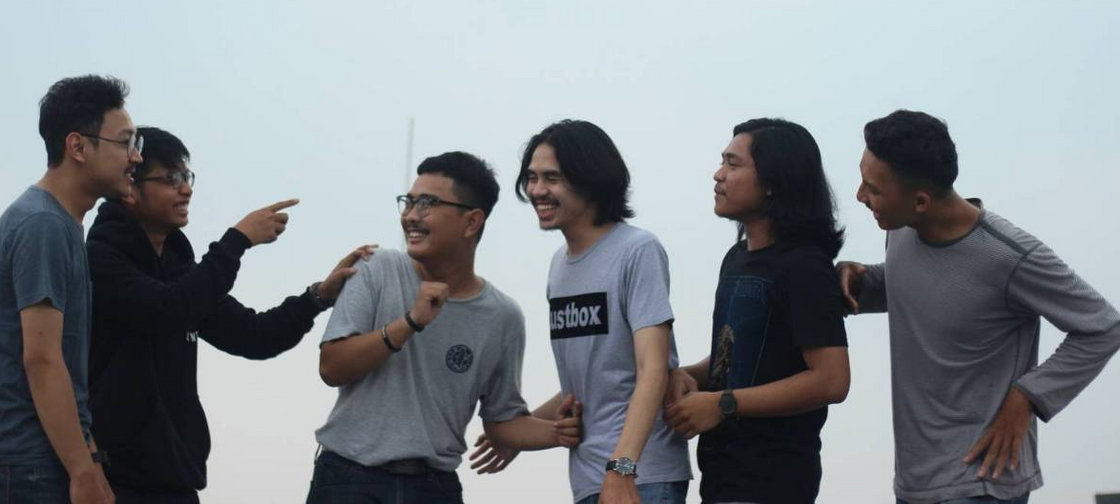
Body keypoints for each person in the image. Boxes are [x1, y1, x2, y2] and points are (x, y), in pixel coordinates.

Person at [840, 109, 1120, 504]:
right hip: (916, 483)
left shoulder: (1009, 255)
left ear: (920, 201)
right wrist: (862, 282)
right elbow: (928, 289)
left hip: (983, 481)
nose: (860, 196)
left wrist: (1027, 396)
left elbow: (1104, 327)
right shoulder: (902, 230)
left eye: (873, 189)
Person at [85, 126, 373, 503]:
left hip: (176, 479)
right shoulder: (101, 259)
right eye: (171, 179)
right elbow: (165, 311)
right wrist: (237, 240)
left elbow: (254, 335)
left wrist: (318, 296)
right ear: (130, 188)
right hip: (111, 482)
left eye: (186, 177)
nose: (186, 190)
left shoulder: (179, 269)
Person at [308, 151, 581, 504]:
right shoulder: (376, 267)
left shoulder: (502, 316)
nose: (411, 216)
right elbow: (332, 367)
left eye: (427, 204)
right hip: (348, 478)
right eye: (409, 202)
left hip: (435, 488)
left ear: (472, 222)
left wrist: (556, 433)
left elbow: (502, 421)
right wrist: (410, 322)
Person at [0, 74, 140, 504]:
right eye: (125, 143)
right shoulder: (43, 225)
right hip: (24, 463)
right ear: (77, 147)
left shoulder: (59, 224)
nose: (136, 157)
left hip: (31, 460)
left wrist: (90, 458)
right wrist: (82, 471)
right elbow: (41, 358)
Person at [664, 118, 850, 504]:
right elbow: (738, 354)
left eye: (733, 165)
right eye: (722, 162)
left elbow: (832, 380)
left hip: (774, 481)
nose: (718, 175)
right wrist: (689, 375)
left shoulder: (805, 266)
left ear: (772, 184)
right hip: (721, 478)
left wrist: (723, 404)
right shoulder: (735, 258)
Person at [516, 119, 691, 504]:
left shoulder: (637, 250)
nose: (537, 190)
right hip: (588, 481)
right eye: (531, 178)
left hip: (642, 477)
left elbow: (652, 369)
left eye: (552, 178)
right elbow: (591, 381)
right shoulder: (558, 267)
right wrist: (518, 433)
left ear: (591, 180)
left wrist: (622, 467)